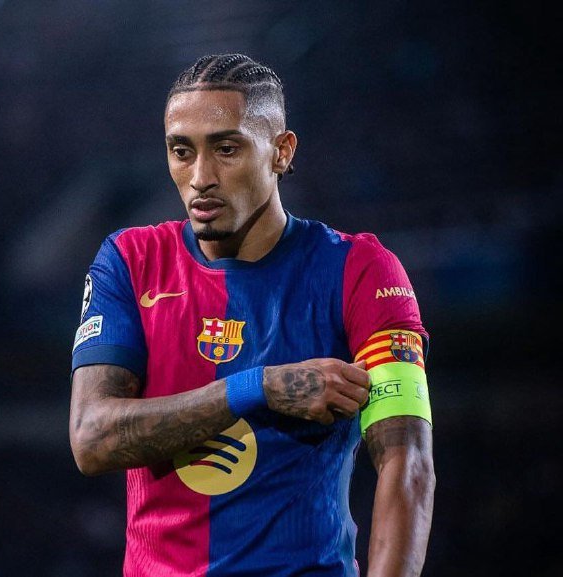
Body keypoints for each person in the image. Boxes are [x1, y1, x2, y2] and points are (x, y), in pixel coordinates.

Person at [69, 53, 435, 577]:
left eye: (226, 149)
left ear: (281, 152)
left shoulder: (360, 270)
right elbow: (91, 439)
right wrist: (257, 387)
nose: (200, 177)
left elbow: (407, 459)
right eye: (181, 151)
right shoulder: (130, 261)